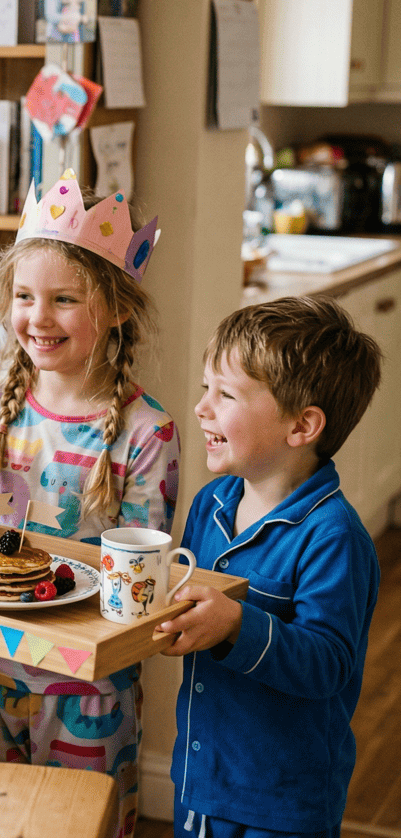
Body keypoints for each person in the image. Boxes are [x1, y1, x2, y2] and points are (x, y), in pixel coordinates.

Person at [0, 171, 176, 838]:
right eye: (23, 296)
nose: (37, 316)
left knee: (76, 826)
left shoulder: (147, 431)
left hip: (87, 687)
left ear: (114, 307)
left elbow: (134, 585)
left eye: (62, 298)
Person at [156, 296, 382, 837]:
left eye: (225, 394)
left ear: (301, 426)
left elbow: (328, 661)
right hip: (199, 781)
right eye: (205, 388)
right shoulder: (211, 504)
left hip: (283, 805)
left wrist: (234, 623)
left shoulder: (334, 538)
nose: (201, 407)